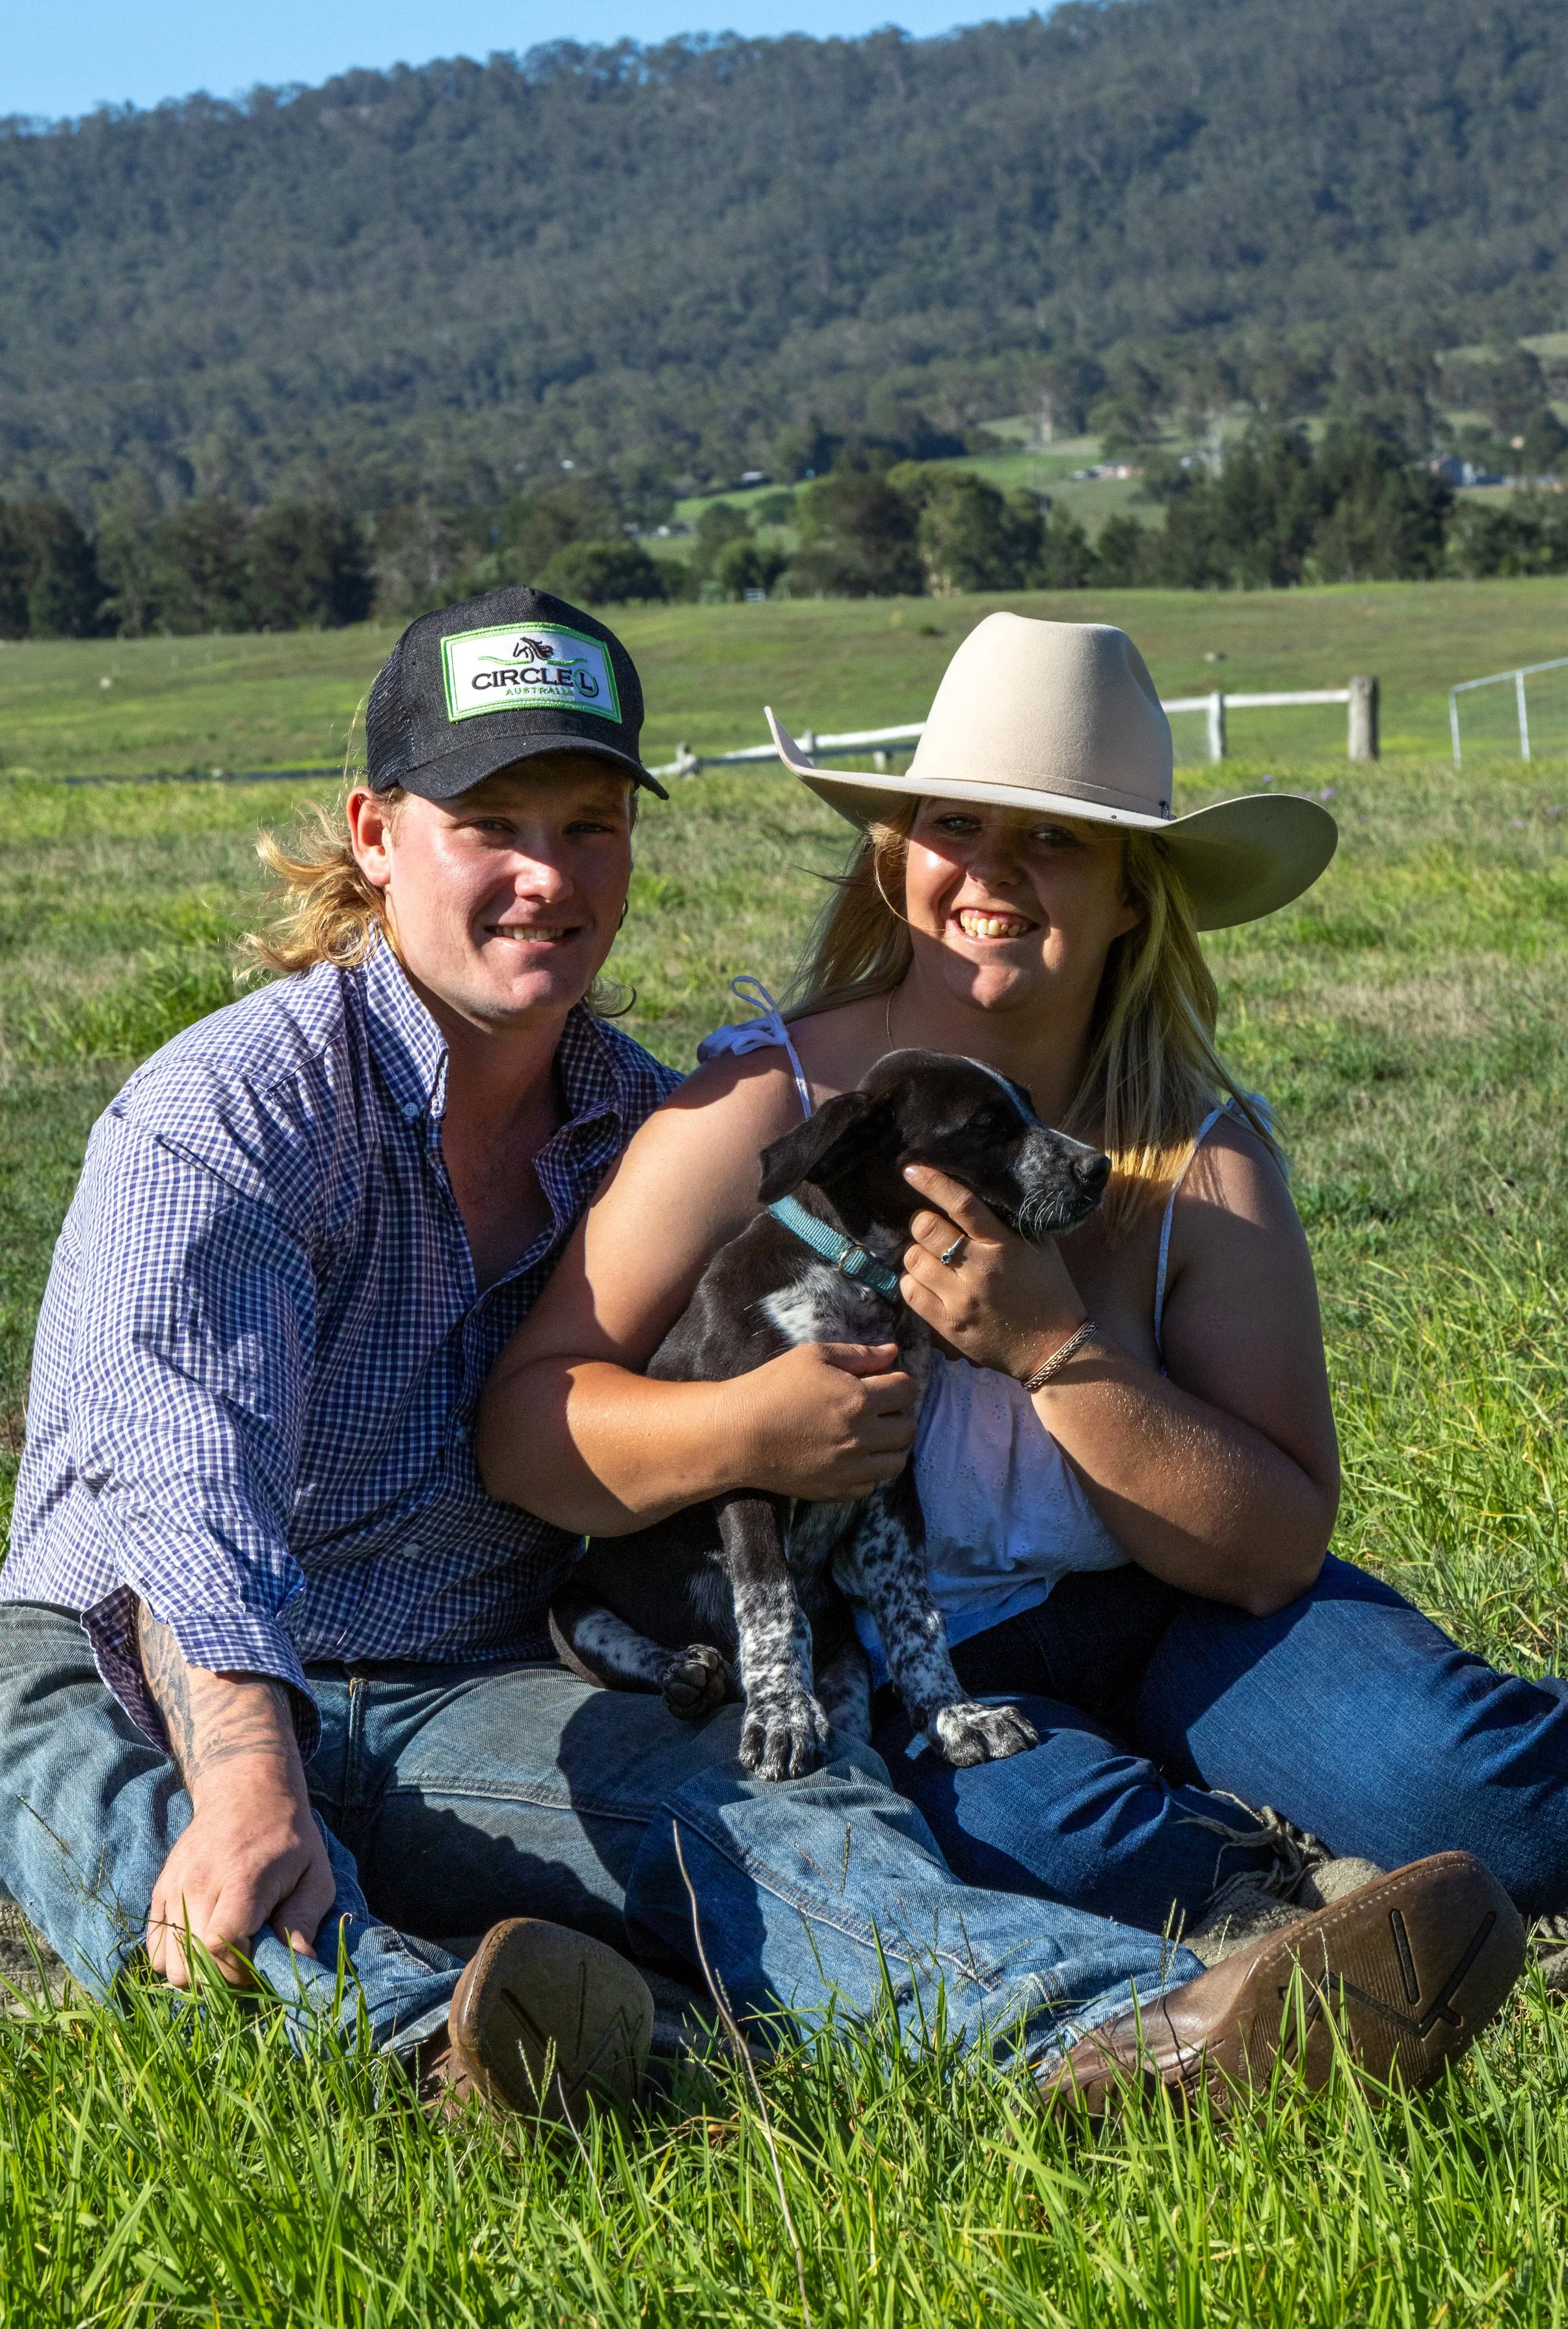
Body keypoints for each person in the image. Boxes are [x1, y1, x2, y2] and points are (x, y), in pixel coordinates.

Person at [0, 591, 1523, 2121]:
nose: (544, 878)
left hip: (470, 1678)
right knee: (6, 1711)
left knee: (793, 1811)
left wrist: (1039, 1354)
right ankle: (429, 2058)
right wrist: (245, 1764)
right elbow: (183, 1479)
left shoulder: (630, 1116)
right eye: (491, 824)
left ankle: (1131, 2035)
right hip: (148, 1663)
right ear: (374, 834)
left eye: (587, 827)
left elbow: (1271, 1524)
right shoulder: (230, 1115)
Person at [483, 610, 1568, 1968]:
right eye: (956, 828)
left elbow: (1276, 1547)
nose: (991, 875)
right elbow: (529, 1428)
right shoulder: (769, 1107)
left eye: (1053, 838)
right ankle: (1281, 1882)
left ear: (1131, 892)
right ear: (896, 860)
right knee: (1055, 1852)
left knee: (1493, 1806)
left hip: (1185, 1615)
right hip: (922, 1658)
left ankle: (1337, 1839)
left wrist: (1058, 1348)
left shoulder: (1195, 1154)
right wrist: (743, 1432)